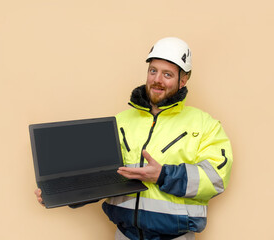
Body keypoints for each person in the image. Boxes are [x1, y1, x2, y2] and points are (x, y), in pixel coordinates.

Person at [35, 37, 233, 240]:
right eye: (153, 70)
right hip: (124, 235)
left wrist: (162, 175)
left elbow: (216, 178)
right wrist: (62, 194)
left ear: (183, 80)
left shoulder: (205, 125)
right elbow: (101, 177)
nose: (157, 79)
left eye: (167, 74)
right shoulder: (120, 122)